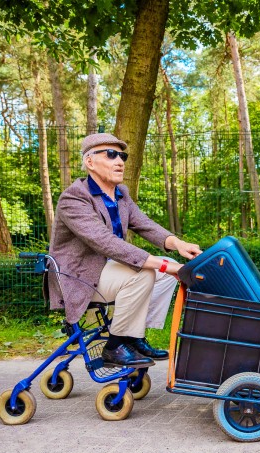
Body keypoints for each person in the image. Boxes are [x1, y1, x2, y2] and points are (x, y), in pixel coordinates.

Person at [48, 133, 203, 368]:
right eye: (111, 154)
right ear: (90, 162)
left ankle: (133, 336)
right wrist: (166, 265)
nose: (119, 161)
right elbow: (104, 242)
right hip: (77, 277)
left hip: (106, 271)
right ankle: (115, 346)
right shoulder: (74, 198)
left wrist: (179, 245)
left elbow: (144, 224)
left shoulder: (121, 194)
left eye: (122, 156)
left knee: (165, 276)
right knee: (147, 272)